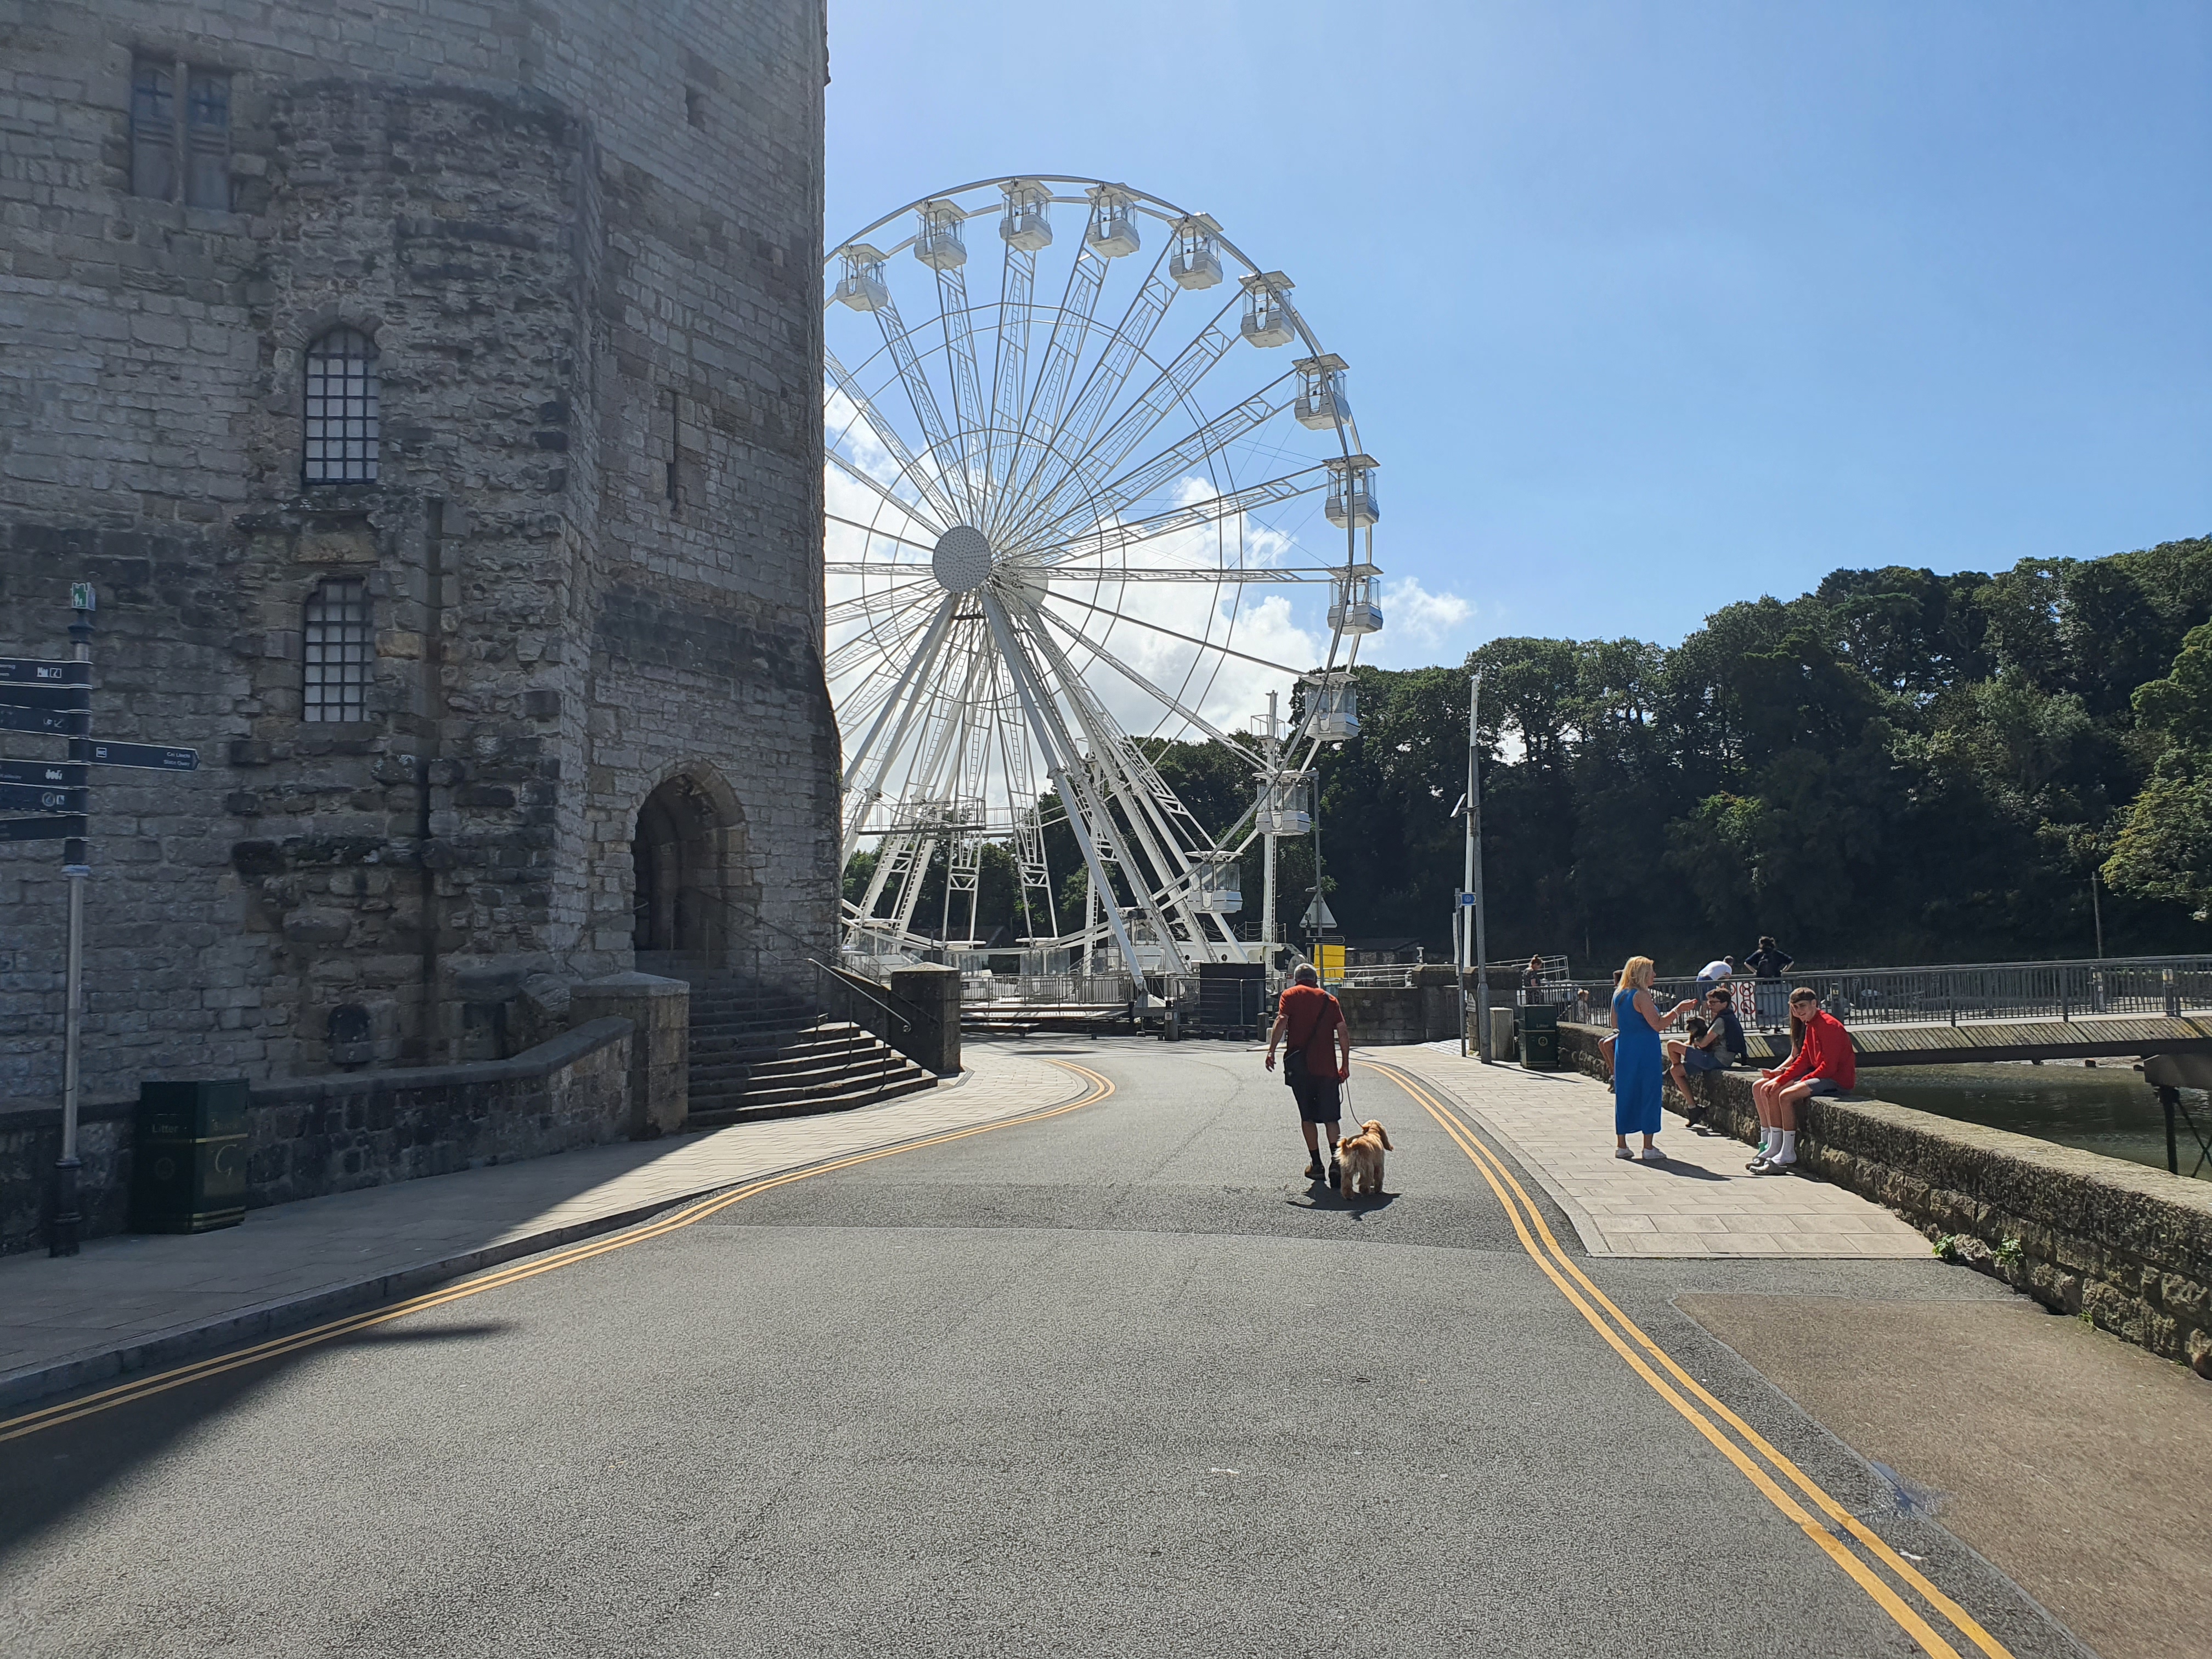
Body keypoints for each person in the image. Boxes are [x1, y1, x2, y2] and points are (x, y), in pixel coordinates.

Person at [1265, 963, 1355, 1186]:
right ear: (1315, 979)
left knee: (1307, 1116)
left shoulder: (1290, 995)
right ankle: (1337, 1163)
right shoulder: (1329, 1000)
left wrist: (1272, 1050)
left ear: (1296, 979)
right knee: (1331, 1117)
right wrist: (1345, 1064)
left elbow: (1282, 1021)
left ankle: (1316, 1165)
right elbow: (1342, 1031)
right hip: (1327, 1069)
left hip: (1301, 1069)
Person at [1749, 986, 1856, 1173]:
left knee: (1785, 1096)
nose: (1799, 1011)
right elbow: (1803, 1059)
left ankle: (1788, 1151)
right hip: (1823, 1075)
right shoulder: (1811, 1024)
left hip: (1836, 1081)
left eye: (1803, 1006)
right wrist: (1781, 1079)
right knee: (1775, 1090)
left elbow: (1829, 1068)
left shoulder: (1828, 1025)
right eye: (1795, 1007)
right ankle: (1775, 1147)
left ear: (1815, 1004)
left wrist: (1799, 1082)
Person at [1610, 956, 1696, 1162]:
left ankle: (1622, 1145)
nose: (1655, 975)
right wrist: (1678, 1011)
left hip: (1625, 1047)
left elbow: (1615, 1022)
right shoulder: (1642, 995)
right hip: (1645, 1048)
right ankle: (1648, 1147)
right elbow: (1657, 1025)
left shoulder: (1619, 994)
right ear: (1642, 974)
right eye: (1651, 972)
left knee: (1625, 1093)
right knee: (1649, 1092)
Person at [1666, 985, 1746, 1132]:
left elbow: (1703, 1044)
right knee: (1676, 1071)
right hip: (1715, 1058)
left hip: (1716, 1060)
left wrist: (1693, 1045)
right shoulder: (1725, 1017)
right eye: (1709, 1002)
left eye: (1714, 1002)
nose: (1710, 1005)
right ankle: (1693, 1108)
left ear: (1724, 1003)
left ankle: (1669, 1076)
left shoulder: (1721, 1021)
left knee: (1671, 1045)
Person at [1744, 935, 1794, 1030]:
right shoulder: (1776, 953)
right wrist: (1783, 971)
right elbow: (1791, 961)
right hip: (1776, 981)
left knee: (1763, 1004)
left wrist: (1755, 972)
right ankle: (1777, 1025)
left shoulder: (1759, 954)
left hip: (1762, 982)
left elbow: (1746, 963)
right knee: (1776, 1003)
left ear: (1762, 944)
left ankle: (1763, 1024)